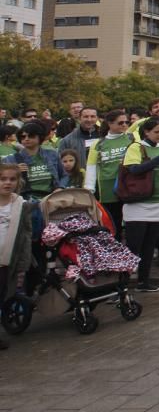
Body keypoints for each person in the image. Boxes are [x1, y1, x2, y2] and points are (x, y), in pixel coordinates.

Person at [122, 115, 159, 292]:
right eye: (156, 132)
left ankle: (143, 281)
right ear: (146, 132)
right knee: (133, 246)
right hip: (139, 203)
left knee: (149, 245)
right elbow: (134, 170)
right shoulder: (136, 148)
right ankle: (122, 285)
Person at [0, 161, 36, 351]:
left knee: (4, 293)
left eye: (12, 179)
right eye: (3, 179)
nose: (7, 183)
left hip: (7, 259)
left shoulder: (21, 205)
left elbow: (25, 234)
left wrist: (24, 261)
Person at [85, 110, 135, 238]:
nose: (124, 125)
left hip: (130, 186)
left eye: (127, 122)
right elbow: (91, 166)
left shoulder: (132, 138)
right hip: (108, 189)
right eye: (120, 122)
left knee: (132, 222)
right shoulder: (98, 143)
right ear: (110, 124)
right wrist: (89, 189)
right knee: (114, 224)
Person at [3, 121, 68, 199]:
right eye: (23, 136)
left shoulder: (52, 154)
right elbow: (4, 182)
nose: (26, 139)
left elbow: (64, 175)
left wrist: (60, 188)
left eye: (31, 136)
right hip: (24, 201)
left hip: (51, 199)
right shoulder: (11, 159)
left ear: (40, 137)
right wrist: (14, 172)